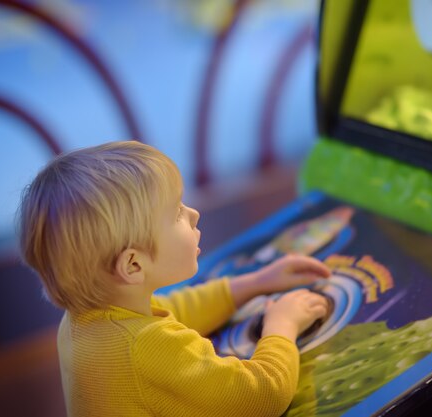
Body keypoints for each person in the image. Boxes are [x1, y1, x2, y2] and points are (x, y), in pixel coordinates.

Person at [17, 141, 331, 417]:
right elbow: (264, 395)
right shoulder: (143, 348)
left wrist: (250, 284)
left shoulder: (83, 319)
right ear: (133, 265)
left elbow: (172, 309)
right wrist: (282, 325)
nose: (193, 214)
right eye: (177, 212)